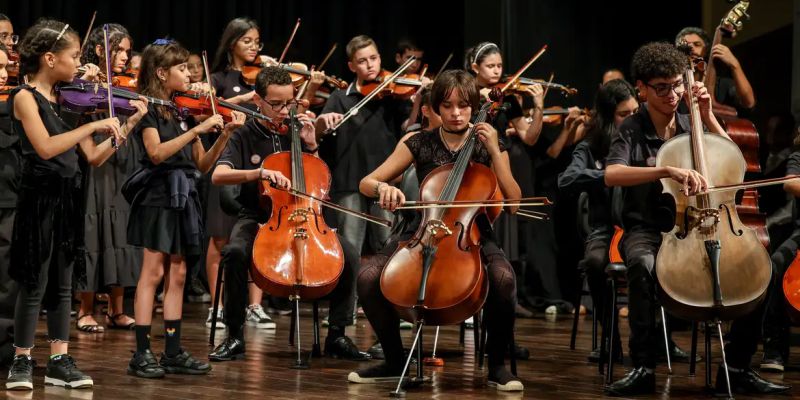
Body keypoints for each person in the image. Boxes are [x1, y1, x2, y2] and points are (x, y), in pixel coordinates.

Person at [603, 41, 789, 396]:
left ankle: (736, 367)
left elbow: (733, 161)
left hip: (704, 222)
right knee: (642, 264)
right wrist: (666, 169)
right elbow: (612, 174)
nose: (672, 95)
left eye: (676, 85)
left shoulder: (692, 121)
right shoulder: (631, 128)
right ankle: (643, 366)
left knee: (761, 268)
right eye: (661, 88)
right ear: (641, 89)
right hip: (648, 227)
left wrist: (708, 116)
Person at [349, 70, 524, 392]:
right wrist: (384, 189)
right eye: (447, 106)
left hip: (473, 232)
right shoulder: (419, 142)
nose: (456, 113)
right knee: (368, 277)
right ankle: (393, 359)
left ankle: (497, 366)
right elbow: (367, 182)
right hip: (421, 229)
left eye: (463, 106)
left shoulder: (490, 145)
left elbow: (513, 203)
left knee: (503, 280)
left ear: (474, 107)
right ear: (434, 108)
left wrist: (496, 151)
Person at [208, 66, 371, 362]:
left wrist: (312, 146)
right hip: (259, 217)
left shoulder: (298, 130)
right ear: (258, 100)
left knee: (348, 254)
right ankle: (234, 335)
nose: (286, 111)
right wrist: (259, 173)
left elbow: (320, 180)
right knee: (233, 253)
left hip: (304, 215)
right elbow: (218, 176)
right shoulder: (243, 134)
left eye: (291, 103)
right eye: (278, 104)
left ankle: (337, 334)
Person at [5, 19, 125, 390]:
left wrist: (128, 124)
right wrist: (91, 125)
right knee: (33, 282)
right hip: (37, 199)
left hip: (67, 197)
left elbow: (92, 157)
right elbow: (45, 147)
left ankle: (59, 358)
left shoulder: (66, 100)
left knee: (62, 283)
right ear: (49, 58)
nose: (79, 64)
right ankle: (21, 360)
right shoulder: (25, 98)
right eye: (74, 56)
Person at [125, 38, 244, 379]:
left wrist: (222, 135)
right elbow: (156, 154)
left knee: (178, 273)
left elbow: (204, 165)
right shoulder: (146, 109)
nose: (189, 73)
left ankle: (173, 352)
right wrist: (202, 126)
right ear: (162, 73)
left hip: (185, 194)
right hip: (158, 195)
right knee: (153, 273)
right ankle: (142, 352)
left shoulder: (183, 112)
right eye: (181, 68)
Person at [557, 78, 638, 361]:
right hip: (605, 228)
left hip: (641, 224)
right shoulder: (591, 148)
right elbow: (567, 180)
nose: (630, 120)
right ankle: (611, 338)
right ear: (607, 117)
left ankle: (651, 338)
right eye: (623, 115)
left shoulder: (644, 141)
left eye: (634, 113)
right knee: (594, 262)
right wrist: (606, 176)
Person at [74, 23, 146, 334]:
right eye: (119, 50)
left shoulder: (126, 84)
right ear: (101, 49)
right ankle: (85, 308)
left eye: (128, 52)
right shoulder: (85, 81)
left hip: (124, 158)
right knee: (95, 228)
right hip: (97, 161)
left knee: (121, 230)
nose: (125, 57)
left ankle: (117, 309)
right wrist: (84, 80)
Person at [314, 35, 412, 256]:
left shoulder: (393, 94)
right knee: (350, 247)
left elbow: (409, 126)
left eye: (374, 58)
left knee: (389, 245)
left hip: (385, 180)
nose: (370, 65)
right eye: (362, 61)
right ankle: (351, 292)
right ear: (351, 66)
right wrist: (321, 122)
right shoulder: (339, 97)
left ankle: (384, 291)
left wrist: (420, 98)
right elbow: (319, 135)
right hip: (349, 181)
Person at [208, 17, 275, 328]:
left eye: (257, 41)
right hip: (226, 161)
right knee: (221, 238)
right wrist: (245, 98)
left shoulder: (260, 79)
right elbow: (212, 108)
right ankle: (217, 305)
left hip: (258, 165)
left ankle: (254, 305)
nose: (254, 47)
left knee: (256, 236)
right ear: (232, 42)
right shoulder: (220, 79)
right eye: (247, 40)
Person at [675, 27, 756, 114]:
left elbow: (749, 103)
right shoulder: (673, 88)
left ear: (706, 50)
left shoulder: (723, 84)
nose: (690, 48)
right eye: (685, 45)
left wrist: (735, 65)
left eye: (697, 44)